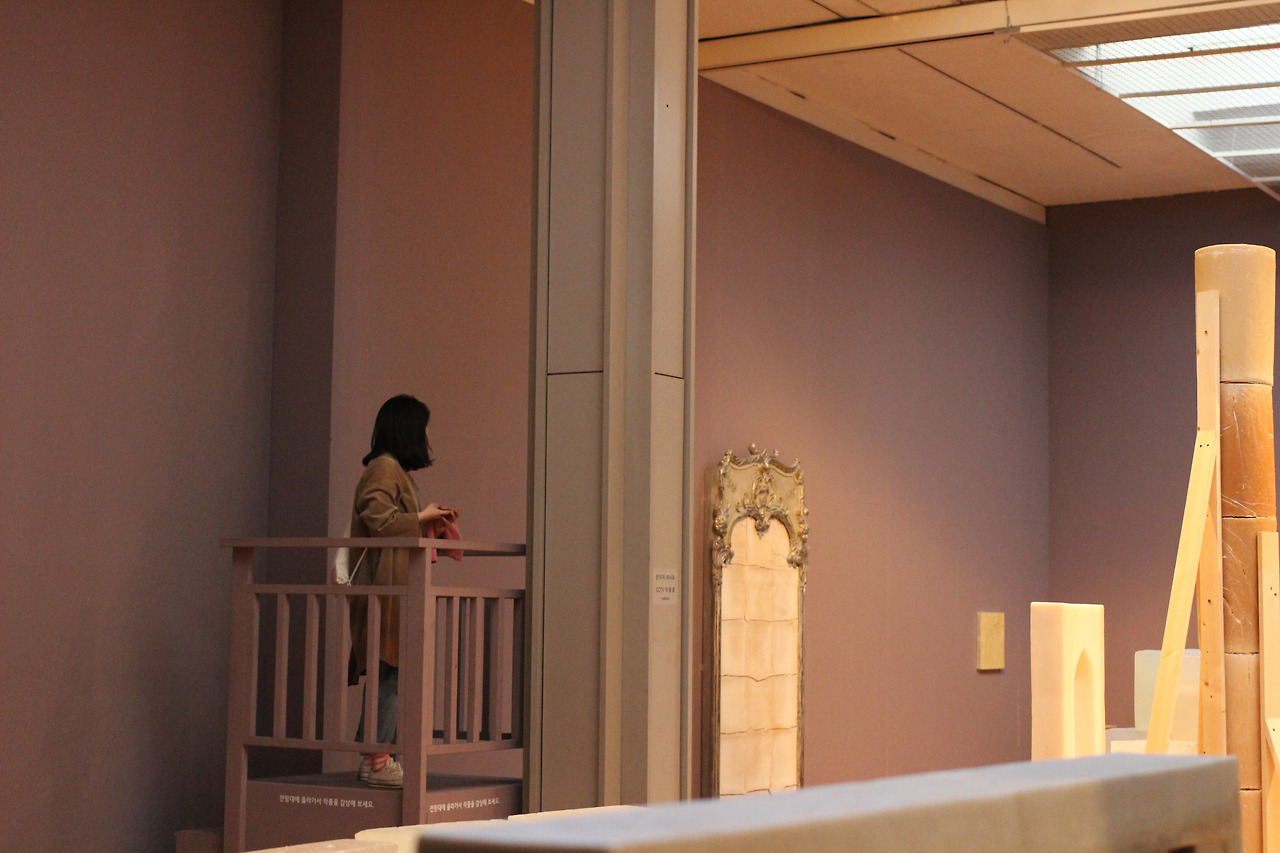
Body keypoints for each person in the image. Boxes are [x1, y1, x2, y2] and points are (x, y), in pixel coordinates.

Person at [347, 394, 457, 789]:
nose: (427, 436)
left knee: (388, 671)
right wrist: (422, 517)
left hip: (391, 587)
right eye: (424, 428)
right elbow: (379, 520)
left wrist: (425, 519)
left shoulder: (390, 469)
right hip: (384, 589)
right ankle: (378, 758)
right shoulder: (384, 468)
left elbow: (388, 519)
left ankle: (374, 756)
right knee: (388, 671)